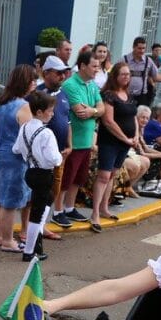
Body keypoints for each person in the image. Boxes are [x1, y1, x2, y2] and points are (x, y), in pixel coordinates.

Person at [0, 64, 34, 252]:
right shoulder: (24, 107)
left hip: (1, 155)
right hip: (16, 159)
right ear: (26, 83)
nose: (35, 83)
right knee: (10, 202)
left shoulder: (5, 103)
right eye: (33, 80)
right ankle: (8, 241)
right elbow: (29, 136)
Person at [14, 89, 63, 262]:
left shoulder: (25, 127)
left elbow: (17, 148)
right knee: (37, 212)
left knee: (46, 200)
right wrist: (60, 157)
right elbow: (54, 158)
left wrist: (30, 153)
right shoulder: (46, 133)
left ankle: (38, 233)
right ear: (40, 112)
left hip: (30, 171)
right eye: (50, 111)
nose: (52, 114)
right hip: (43, 174)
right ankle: (30, 251)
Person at [56, 49, 104, 225]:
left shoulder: (92, 85)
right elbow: (79, 111)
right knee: (67, 177)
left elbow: (101, 108)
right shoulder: (70, 85)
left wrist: (93, 110)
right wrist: (95, 111)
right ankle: (58, 210)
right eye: (94, 66)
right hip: (73, 141)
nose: (97, 70)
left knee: (79, 178)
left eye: (98, 67)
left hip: (86, 142)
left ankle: (69, 208)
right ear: (82, 66)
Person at [93, 62, 137, 231]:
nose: (126, 77)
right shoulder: (109, 95)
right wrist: (126, 138)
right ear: (115, 76)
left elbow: (133, 117)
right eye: (123, 74)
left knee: (112, 174)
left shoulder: (129, 94)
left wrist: (136, 136)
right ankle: (95, 212)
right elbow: (108, 121)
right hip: (110, 141)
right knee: (103, 175)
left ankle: (105, 207)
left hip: (125, 142)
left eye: (128, 74)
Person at [35, 55, 71, 226]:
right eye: (58, 73)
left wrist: (70, 144)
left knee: (53, 192)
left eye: (64, 73)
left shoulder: (64, 94)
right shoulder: (37, 94)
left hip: (60, 155)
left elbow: (67, 121)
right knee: (39, 193)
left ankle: (43, 224)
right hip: (41, 158)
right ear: (46, 73)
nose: (62, 76)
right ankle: (33, 226)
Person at [124, 36, 158, 109]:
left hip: (142, 97)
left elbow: (156, 76)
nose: (142, 51)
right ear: (133, 47)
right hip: (126, 95)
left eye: (143, 48)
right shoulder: (124, 59)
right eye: (139, 48)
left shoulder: (148, 60)